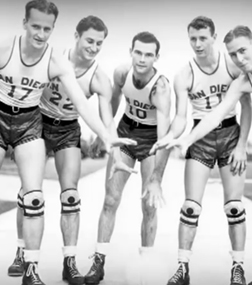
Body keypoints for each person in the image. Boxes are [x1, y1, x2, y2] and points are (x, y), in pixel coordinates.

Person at [0, 1, 136, 285]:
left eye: (99, 43)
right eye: (89, 40)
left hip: (65, 130)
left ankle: (69, 263)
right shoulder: (47, 56)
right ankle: (21, 253)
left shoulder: (95, 77)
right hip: (37, 121)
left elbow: (98, 114)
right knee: (28, 193)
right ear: (76, 36)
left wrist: (111, 141)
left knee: (70, 197)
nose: (94, 47)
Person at [166, 25, 252, 285]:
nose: (239, 59)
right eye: (233, 54)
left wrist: (239, 145)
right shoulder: (243, 81)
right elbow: (217, 114)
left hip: (239, 137)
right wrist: (187, 138)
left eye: (243, 50)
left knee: (248, 203)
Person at [150, 16, 252, 285]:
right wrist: (172, 136)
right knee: (190, 208)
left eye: (202, 38)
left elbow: (247, 109)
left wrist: (242, 145)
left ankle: (238, 268)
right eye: (193, 38)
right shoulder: (184, 74)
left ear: (214, 37)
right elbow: (182, 116)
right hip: (200, 137)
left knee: (234, 208)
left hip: (231, 134)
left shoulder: (231, 64)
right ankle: (183, 268)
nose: (197, 44)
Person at [84, 31, 172, 285]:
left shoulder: (161, 88)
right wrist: (104, 135)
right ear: (131, 51)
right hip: (124, 132)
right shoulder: (121, 73)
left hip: (152, 140)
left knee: (149, 205)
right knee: (110, 199)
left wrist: (156, 178)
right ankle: (98, 262)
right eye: (138, 52)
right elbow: (112, 104)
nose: (142, 59)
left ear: (156, 57)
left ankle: (146, 262)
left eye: (148, 54)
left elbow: (164, 139)